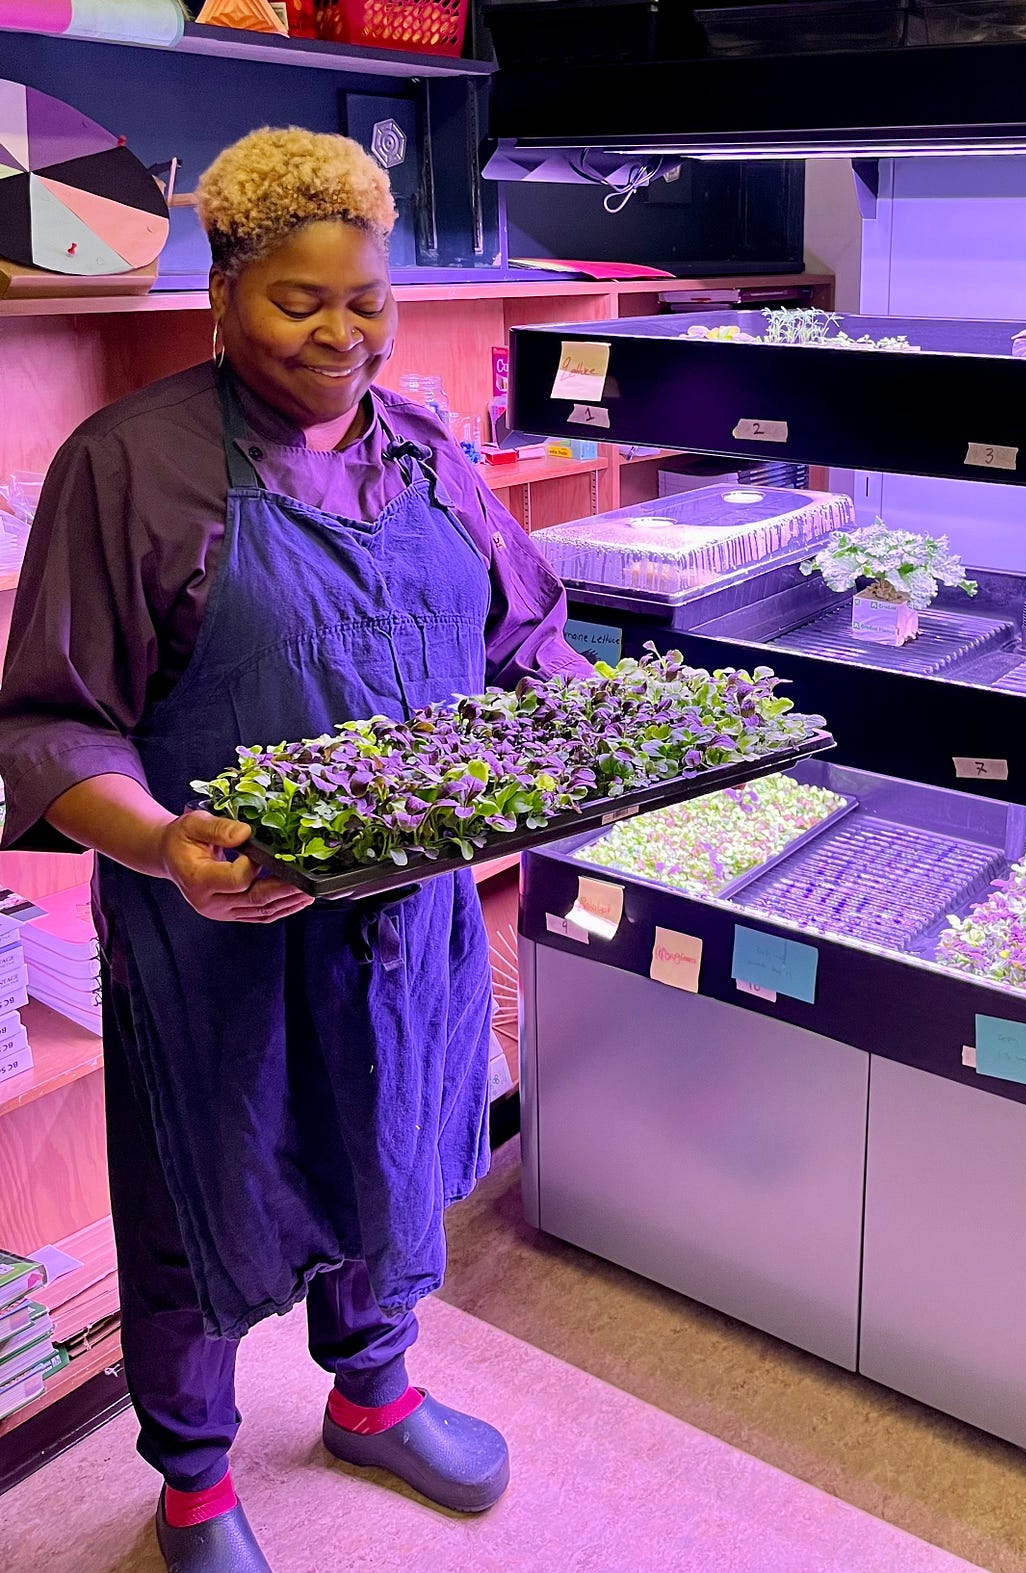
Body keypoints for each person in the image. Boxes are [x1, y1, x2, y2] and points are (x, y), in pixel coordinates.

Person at [0, 127, 591, 1572]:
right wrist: (162, 844)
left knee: (395, 1147)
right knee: (205, 1193)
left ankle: (372, 1393)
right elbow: (50, 721)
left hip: (409, 922)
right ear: (222, 293)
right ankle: (195, 1482)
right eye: (299, 301)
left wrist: (603, 741)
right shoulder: (128, 467)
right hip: (219, 928)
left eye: (368, 301)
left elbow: (525, 638)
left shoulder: (428, 453)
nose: (343, 335)